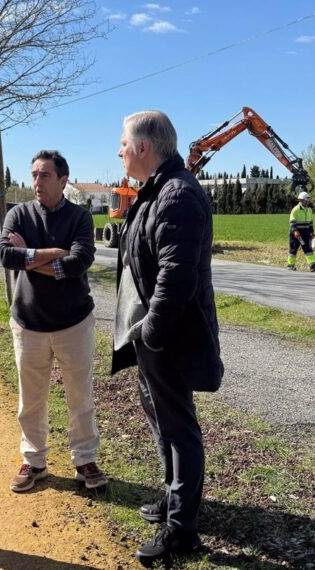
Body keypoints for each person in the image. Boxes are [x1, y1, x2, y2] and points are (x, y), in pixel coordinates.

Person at [111, 111, 223, 567]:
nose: (118, 151)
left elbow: (176, 276)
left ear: (143, 147)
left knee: (179, 429)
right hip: (152, 335)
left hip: (168, 338)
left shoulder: (176, 194)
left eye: (122, 143)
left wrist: (151, 334)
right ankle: (174, 502)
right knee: (163, 422)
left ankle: (181, 531)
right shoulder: (159, 188)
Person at [0, 150, 107, 493]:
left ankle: (84, 459)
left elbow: (80, 261)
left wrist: (28, 255)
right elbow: (4, 255)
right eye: (33, 175)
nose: (36, 182)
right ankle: (34, 461)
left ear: (63, 180)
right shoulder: (18, 214)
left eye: (44, 175)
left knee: (80, 395)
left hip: (73, 323)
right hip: (29, 324)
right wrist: (52, 254)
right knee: (30, 399)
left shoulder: (80, 217)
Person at [287, 191, 315, 272]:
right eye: (306, 200)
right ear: (301, 200)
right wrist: (295, 231)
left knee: (308, 249)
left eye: (308, 200)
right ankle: (290, 265)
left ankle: (313, 265)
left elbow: (310, 223)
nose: (308, 201)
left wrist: (312, 232)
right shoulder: (295, 210)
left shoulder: (309, 210)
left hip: (305, 234)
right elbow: (292, 222)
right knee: (293, 249)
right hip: (296, 234)